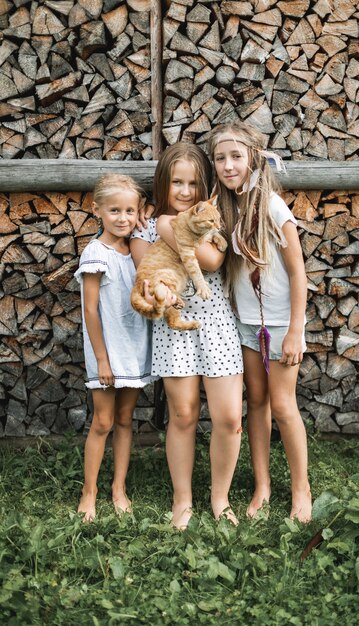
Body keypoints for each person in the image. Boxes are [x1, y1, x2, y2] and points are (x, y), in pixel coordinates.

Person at [130, 143, 244, 529]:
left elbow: (212, 260)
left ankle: (220, 498)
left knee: (229, 418)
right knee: (183, 414)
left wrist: (172, 228)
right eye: (176, 182)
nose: (184, 191)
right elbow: (145, 272)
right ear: (164, 183)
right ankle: (183, 500)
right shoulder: (146, 227)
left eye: (193, 183)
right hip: (174, 325)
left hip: (215, 322)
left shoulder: (209, 219)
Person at [207, 121, 312, 522]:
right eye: (220, 158)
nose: (229, 165)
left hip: (281, 324)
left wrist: (295, 331)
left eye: (236, 156)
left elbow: (297, 271)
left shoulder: (271, 205)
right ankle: (262, 485)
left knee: (284, 405)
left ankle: (301, 488)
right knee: (257, 403)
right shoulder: (227, 206)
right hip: (246, 324)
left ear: (253, 157)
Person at [75, 174, 154, 522]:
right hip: (107, 352)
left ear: (139, 213)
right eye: (114, 211)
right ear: (97, 211)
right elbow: (90, 309)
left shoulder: (136, 252)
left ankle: (118, 488)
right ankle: (88, 492)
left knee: (125, 419)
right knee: (103, 421)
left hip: (134, 347)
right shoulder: (96, 253)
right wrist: (102, 359)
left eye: (129, 211)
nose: (122, 218)